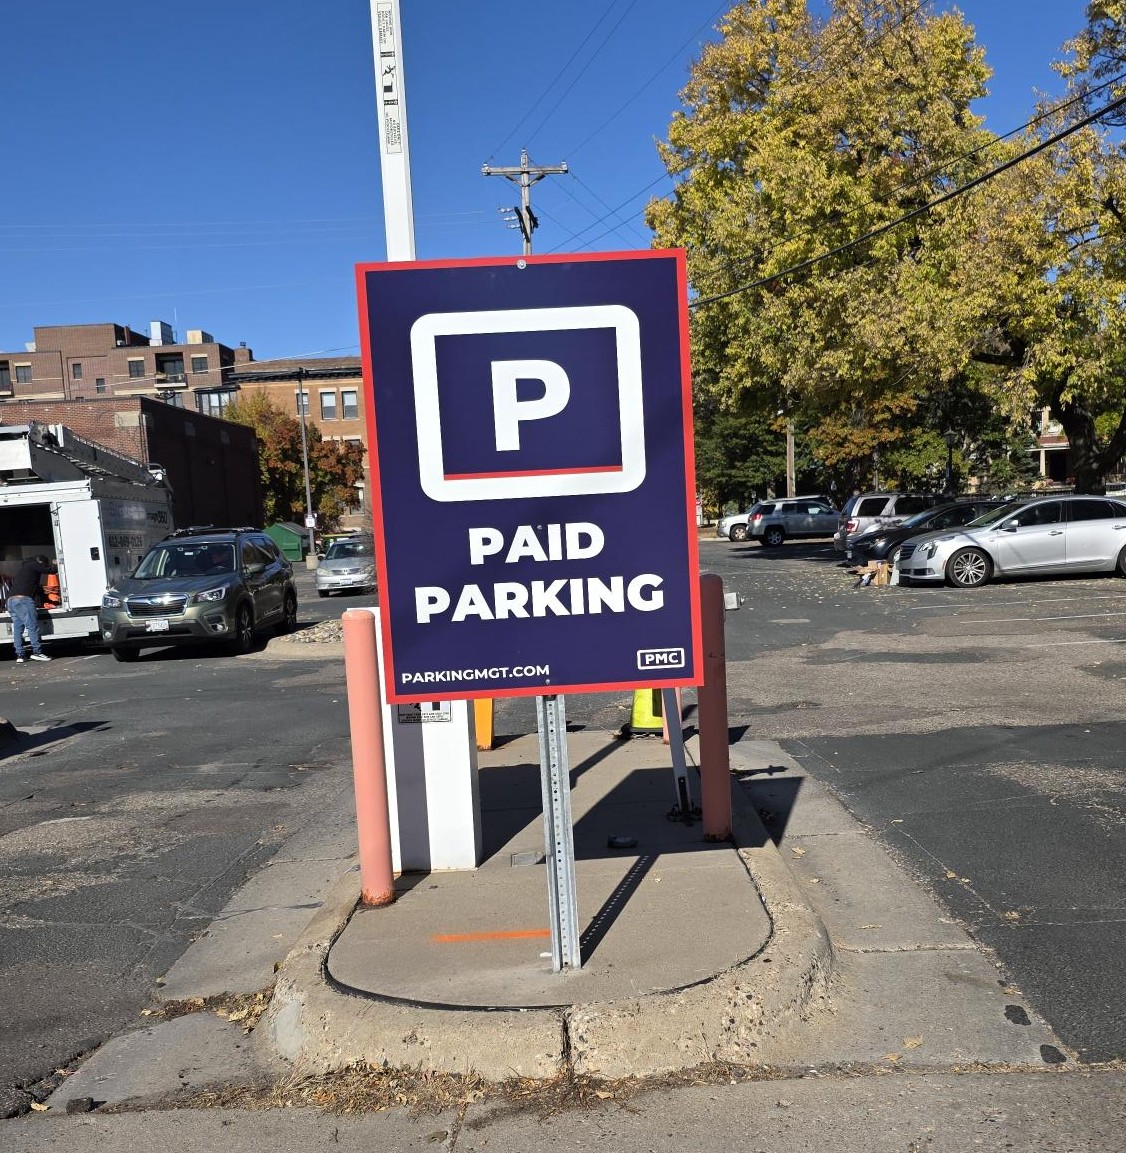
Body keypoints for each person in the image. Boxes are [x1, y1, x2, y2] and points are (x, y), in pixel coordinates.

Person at [8, 555, 56, 663]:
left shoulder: (25, 567)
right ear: (40, 561)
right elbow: (50, 570)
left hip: (11, 600)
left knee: (18, 628)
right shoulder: (34, 565)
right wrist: (57, 563)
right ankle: (37, 652)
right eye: (44, 564)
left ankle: (20, 655)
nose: (44, 566)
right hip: (23, 600)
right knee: (32, 627)